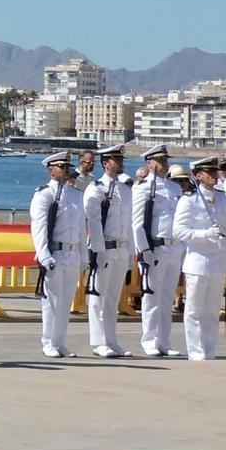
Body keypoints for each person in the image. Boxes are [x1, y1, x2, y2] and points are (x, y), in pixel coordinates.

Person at [175, 157, 226, 361]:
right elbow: (179, 231)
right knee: (194, 309)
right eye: (209, 172)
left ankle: (209, 349)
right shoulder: (189, 200)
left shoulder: (222, 198)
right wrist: (204, 234)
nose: (214, 175)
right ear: (198, 176)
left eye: (215, 172)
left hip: (218, 260)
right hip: (197, 260)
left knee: (211, 310)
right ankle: (196, 351)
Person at [28, 153, 85, 359]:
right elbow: (39, 226)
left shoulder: (76, 195)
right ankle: (48, 341)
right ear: (51, 169)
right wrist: (43, 255)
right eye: (62, 166)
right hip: (55, 253)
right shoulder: (44, 194)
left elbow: (80, 227)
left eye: (67, 166)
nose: (66, 170)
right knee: (51, 301)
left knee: (66, 300)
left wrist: (83, 254)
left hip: (72, 253)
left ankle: (60, 341)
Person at [131, 145, 184, 357]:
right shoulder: (143, 188)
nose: (165, 164)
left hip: (174, 247)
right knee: (151, 296)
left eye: (166, 160)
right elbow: (137, 223)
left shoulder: (174, 188)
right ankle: (150, 339)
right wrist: (144, 249)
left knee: (167, 296)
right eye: (161, 161)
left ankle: (164, 340)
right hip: (156, 246)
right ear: (150, 163)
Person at [83, 144, 135, 358]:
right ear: (106, 163)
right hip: (105, 247)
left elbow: (129, 222)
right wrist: (98, 249)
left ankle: (112, 340)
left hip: (121, 248)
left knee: (113, 298)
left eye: (121, 160)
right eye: (116, 160)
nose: (121, 163)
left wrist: (131, 251)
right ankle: (99, 342)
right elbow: (93, 221)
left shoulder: (124, 188)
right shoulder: (96, 188)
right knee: (98, 296)